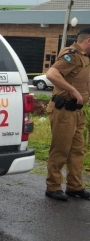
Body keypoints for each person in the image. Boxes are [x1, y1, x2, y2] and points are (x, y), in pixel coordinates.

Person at [44, 27, 90, 201]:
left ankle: (74, 186)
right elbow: (52, 73)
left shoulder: (84, 58)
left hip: (77, 112)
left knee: (77, 151)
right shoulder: (71, 55)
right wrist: (72, 90)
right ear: (88, 41)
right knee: (61, 150)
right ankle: (53, 187)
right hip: (64, 110)